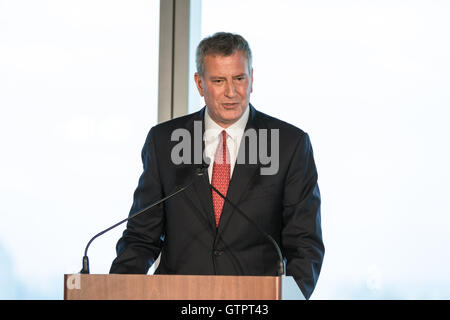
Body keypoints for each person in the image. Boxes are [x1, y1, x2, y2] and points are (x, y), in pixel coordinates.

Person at [110, 32, 324, 299]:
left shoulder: (289, 145)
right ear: (200, 84)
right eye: (219, 81)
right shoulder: (165, 142)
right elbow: (141, 238)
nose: (231, 92)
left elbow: (305, 245)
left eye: (239, 79)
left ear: (252, 79)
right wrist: (115, 292)